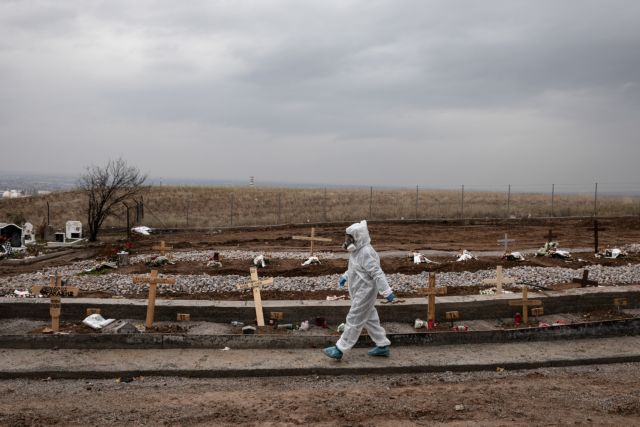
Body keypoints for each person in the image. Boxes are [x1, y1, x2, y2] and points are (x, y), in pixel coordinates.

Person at [323, 220, 395, 360]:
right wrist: (345, 276)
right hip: (359, 290)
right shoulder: (357, 251)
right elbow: (355, 268)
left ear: (358, 237)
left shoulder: (366, 252)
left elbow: (377, 273)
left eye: (349, 238)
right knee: (370, 318)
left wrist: (386, 291)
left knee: (354, 318)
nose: (347, 241)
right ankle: (382, 345)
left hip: (365, 292)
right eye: (347, 238)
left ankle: (340, 349)